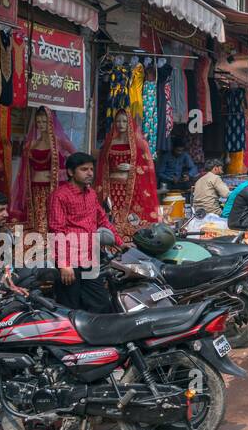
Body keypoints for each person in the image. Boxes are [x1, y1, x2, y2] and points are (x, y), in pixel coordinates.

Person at [47, 153, 118, 313]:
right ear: (71, 172)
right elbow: (57, 230)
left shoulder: (91, 194)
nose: (90, 173)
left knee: (100, 304)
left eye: (91, 169)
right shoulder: (59, 196)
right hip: (70, 260)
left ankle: (100, 337)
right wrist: (64, 264)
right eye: (84, 169)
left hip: (90, 257)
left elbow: (103, 220)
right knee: (70, 307)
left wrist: (120, 242)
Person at [95, 109, 161, 241]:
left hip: (131, 189)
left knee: (133, 219)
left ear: (129, 123)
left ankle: (131, 241)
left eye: (124, 121)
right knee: (111, 216)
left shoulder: (139, 144)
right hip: (112, 189)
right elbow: (103, 165)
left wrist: (133, 168)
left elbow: (150, 167)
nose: (121, 124)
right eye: (118, 121)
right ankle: (112, 241)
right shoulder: (110, 143)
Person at [10, 106, 75, 237]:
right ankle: (39, 248)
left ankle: (49, 248)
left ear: (51, 122)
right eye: (39, 122)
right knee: (39, 221)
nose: (41, 125)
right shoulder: (31, 144)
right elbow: (24, 169)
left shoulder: (60, 142)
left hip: (53, 188)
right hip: (34, 188)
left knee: (50, 219)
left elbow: (78, 161)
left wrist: (61, 173)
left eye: (44, 121)